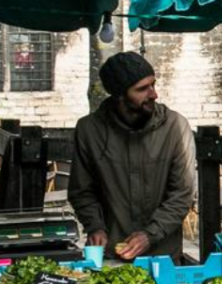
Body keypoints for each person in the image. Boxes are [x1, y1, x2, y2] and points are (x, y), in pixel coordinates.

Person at [68, 52, 196, 260]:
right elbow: (81, 190)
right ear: (119, 95)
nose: (153, 94)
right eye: (142, 89)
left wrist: (150, 234)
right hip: (111, 255)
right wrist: (95, 227)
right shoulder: (89, 130)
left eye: (153, 84)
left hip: (163, 256)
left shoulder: (175, 127)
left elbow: (182, 193)